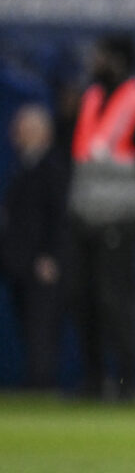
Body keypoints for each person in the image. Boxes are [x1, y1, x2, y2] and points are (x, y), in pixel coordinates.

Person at [67, 35, 135, 400]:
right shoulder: (91, 96)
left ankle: (126, 382)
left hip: (119, 215)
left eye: (101, 55)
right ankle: (93, 379)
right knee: (83, 299)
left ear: (119, 59)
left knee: (116, 301)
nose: (94, 61)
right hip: (83, 212)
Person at [1, 104, 67, 388]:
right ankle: (36, 382)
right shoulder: (22, 166)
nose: (15, 133)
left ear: (42, 133)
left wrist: (51, 256)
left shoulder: (52, 167)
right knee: (28, 327)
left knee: (41, 327)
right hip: (19, 261)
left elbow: (60, 218)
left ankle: (41, 385)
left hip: (40, 263)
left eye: (23, 128)